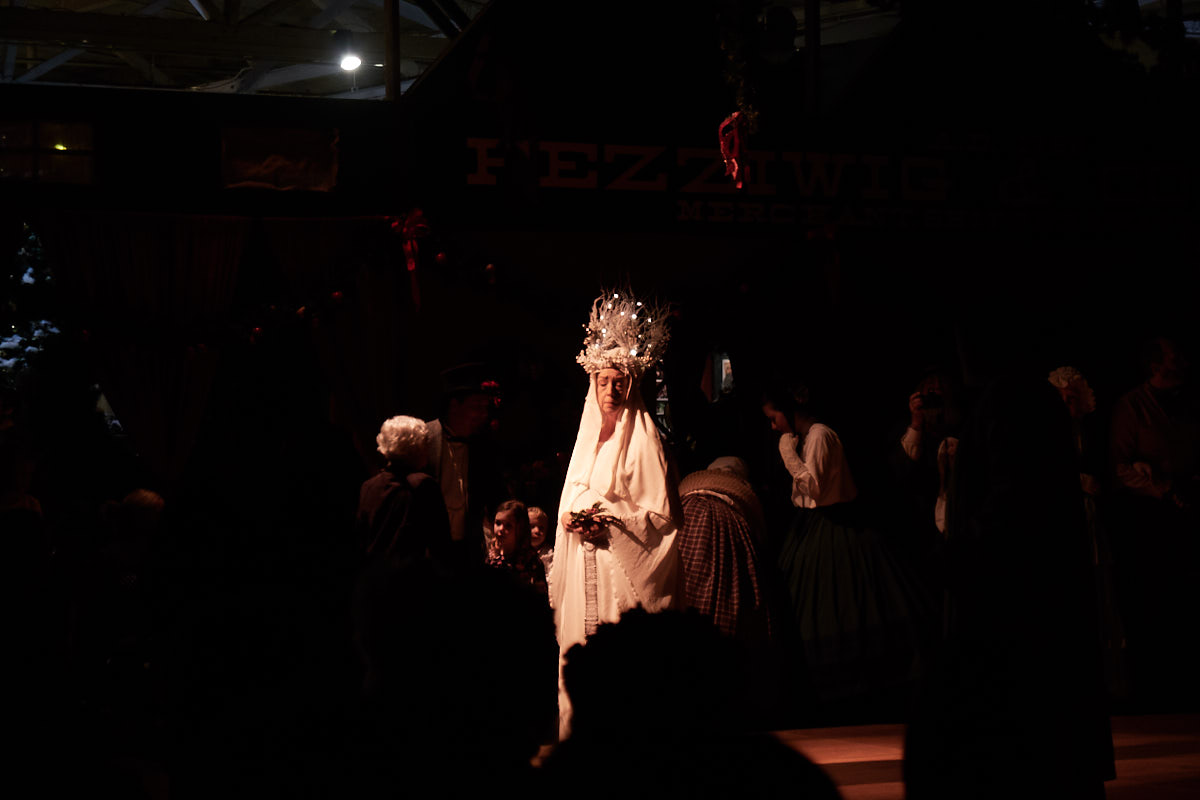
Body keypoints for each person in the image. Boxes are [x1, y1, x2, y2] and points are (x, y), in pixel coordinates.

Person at [548, 288, 683, 740]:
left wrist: (609, 520)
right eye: (603, 380)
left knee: (622, 667)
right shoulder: (586, 442)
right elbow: (570, 498)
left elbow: (661, 520)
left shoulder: (644, 441)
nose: (612, 390)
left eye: (619, 380)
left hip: (620, 574)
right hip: (584, 568)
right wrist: (571, 518)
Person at [764, 381, 937, 722]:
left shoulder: (820, 435)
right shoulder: (805, 437)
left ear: (788, 411)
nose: (773, 426)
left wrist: (787, 454)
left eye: (774, 418)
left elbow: (815, 488)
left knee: (846, 602)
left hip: (836, 526)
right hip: (813, 527)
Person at [424, 363, 505, 567]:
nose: (484, 414)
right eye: (476, 407)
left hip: (467, 552)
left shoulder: (483, 446)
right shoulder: (424, 438)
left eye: (485, 408)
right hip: (428, 551)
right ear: (454, 405)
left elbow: (495, 495)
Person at [356, 415, 451, 567]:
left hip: (374, 575)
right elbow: (440, 543)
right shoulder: (424, 486)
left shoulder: (369, 486)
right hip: (409, 575)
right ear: (416, 448)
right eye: (426, 444)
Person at [486, 499, 548, 597]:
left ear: (520, 528)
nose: (501, 529)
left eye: (508, 525)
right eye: (498, 523)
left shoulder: (529, 560)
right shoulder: (490, 553)